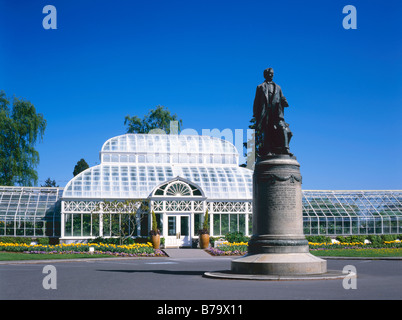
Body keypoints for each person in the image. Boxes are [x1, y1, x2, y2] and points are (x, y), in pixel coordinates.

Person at [253, 68, 293, 157]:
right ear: (265, 75)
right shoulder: (260, 87)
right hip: (265, 112)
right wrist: (256, 114)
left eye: (272, 74)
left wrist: (284, 101)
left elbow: (282, 97)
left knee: (282, 128)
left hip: (276, 112)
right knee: (267, 131)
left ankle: (285, 148)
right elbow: (256, 101)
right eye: (269, 74)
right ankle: (268, 150)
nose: (271, 75)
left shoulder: (278, 87)